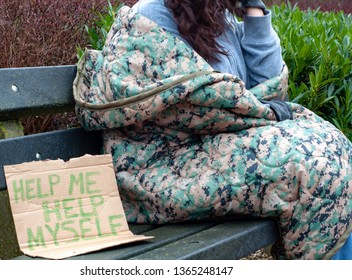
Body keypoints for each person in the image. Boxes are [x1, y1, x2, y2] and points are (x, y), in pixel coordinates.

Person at [73, 0, 352, 260]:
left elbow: (268, 91)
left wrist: (255, 11)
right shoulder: (151, 16)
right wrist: (260, 109)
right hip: (158, 168)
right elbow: (203, 107)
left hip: (209, 150)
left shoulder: (221, 18)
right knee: (315, 167)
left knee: (336, 150)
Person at [132, 0, 283, 89]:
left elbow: (269, 85)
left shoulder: (218, 12)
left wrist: (254, 9)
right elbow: (215, 100)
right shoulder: (153, 15)